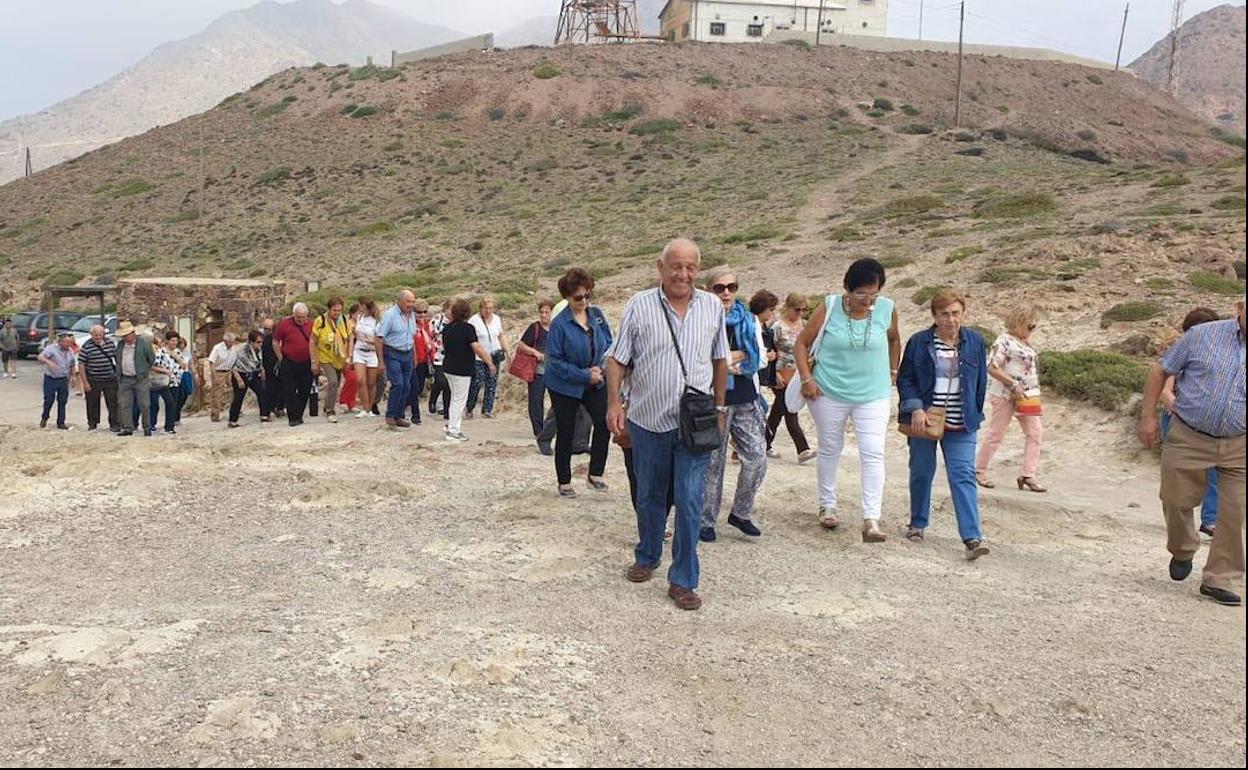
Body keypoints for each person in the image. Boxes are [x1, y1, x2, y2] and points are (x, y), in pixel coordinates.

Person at [607, 238, 729, 612]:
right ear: (660, 268)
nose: (684, 274)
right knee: (650, 495)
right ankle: (647, 553)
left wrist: (721, 407)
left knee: (691, 501)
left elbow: (720, 359)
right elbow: (616, 360)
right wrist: (615, 402)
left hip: (696, 423)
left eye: (691, 267)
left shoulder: (711, 306)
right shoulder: (639, 305)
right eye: (676, 266)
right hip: (647, 420)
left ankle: (683, 579)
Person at [1139, 298, 1246, 607]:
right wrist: (1148, 417)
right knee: (1175, 499)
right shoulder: (1202, 335)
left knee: (1236, 511)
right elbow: (1160, 371)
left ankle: (1219, 577)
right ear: (1240, 307)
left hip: (1239, 442)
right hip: (1188, 433)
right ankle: (1183, 547)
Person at [794, 257, 901, 542]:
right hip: (828, 390)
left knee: (873, 452)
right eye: (861, 293)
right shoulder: (829, 307)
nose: (867, 300)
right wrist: (807, 379)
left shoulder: (887, 309)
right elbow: (801, 343)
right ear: (848, 289)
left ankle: (871, 518)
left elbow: (894, 340)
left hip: (873, 394)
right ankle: (827, 505)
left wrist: (893, 371)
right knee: (830, 448)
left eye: (873, 293)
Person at [898, 289, 991, 560]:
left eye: (955, 313)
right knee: (921, 472)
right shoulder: (919, 342)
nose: (951, 320)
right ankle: (917, 523)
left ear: (963, 313)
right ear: (934, 316)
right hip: (924, 420)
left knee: (963, 475)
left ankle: (973, 538)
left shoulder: (974, 341)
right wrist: (915, 408)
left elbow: (980, 382)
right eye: (944, 314)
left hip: (962, 422)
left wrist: (974, 412)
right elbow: (906, 379)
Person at [700, 268, 768, 541]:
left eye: (731, 286)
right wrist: (728, 360)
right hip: (713, 400)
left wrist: (730, 365)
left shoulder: (749, 320)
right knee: (713, 463)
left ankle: (740, 511)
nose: (726, 292)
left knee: (756, 457)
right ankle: (706, 520)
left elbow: (760, 359)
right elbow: (700, 360)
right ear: (708, 290)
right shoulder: (701, 318)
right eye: (719, 287)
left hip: (745, 398)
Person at [545, 270, 613, 498]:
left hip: (595, 380)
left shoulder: (598, 316)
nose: (583, 300)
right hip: (564, 385)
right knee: (567, 430)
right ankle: (564, 481)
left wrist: (600, 368)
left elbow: (610, 344)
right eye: (578, 297)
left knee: (604, 423)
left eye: (587, 295)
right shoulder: (559, 324)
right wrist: (584, 375)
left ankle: (595, 473)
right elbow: (554, 361)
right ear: (567, 297)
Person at [1161, 308, 1222, 537]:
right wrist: (1184, 413)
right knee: (1181, 475)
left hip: (1207, 425)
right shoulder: (1180, 352)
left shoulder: (1217, 354)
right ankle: (1181, 521)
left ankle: (1210, 520)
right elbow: (1165, 392)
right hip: (1177, 421)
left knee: (1215, 471)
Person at [975, 306, 1046, 492]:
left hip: (1026, 396)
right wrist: (1013, 383)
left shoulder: (1025, 344)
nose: (1031, 330)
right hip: (1005, 394)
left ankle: (1028, 474)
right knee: (996, 433)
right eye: (1030, 326)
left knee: (1036, 432)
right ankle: (979, 470)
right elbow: (992, 366)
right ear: (1019, 323)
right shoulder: (1004, 341)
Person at [767, 293, 816, 463]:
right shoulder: (777, 327)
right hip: (780, 373)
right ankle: (803, 449)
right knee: (790, 409)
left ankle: (764, 443)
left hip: (797, 374)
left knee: (777, 412)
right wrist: (773, 373)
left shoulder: (804, 325)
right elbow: (768, 350)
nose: (800, 313)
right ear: (788, 307)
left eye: (803, 310)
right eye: (797, 309)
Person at [441, 298, 496, 442]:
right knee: (459, 400)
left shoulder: (447, 327)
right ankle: (453, 430)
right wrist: (489, 362)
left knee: (455, 398)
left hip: (448, 367)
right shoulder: (468, 329)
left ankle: (451, 426)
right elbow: (477, 347)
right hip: (461, 370)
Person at [516, 300, 555, 449]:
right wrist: (535, 352)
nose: (544, 315)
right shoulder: (535, 327)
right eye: (542, 312)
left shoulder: (556, 328)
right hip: (537, 370)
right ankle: (538, 431)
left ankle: (550, 428)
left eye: (547, 312)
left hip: (554, 372)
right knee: (535, 401)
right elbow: (521, 344)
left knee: (557, 402)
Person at [375, 290, 417, 428]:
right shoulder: (390, 316)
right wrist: (381, 361)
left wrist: (414, 355)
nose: (410, 305)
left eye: (412, 301)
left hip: (407, 353)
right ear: (399, 301)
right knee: (398, 383)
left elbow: (411, 337)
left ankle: (399, 415)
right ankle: (390, 415)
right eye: (408, 301)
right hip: (392, 352)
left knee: (407, 385)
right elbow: (379, 337)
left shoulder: (412, 315)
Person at [311, 296, 352, 424]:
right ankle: (330, 411)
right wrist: (314, 361)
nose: (337, 313)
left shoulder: (345, 320)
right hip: (325, 357)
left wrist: (349, 355)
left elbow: (350, 338)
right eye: (334, 310)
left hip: (340, 358)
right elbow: (313, 340)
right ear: (329, 309)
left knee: (336, 383)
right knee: (333, 381)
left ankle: (326, 406)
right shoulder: (320, 321)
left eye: (339, 310)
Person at [466, 296, 508, 419]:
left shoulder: (496, 319)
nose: (488, 311)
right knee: (478, 381)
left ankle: (487, 409)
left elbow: (500, 335)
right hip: (478, 356)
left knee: (492, 382)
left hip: (494, 355)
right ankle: (470, 407)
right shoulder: (474, 320)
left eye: (490, 308)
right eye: (486, 308)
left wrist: (506, 350)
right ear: (481, 308)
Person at [273, 303, 314, 426]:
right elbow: (275, 342)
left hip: (306, 362)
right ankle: (293, 418)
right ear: (293, 315)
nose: (301, 320)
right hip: (289, 362)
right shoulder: (284, 325)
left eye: (303, 317)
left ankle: (299, 414)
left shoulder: (312, 325)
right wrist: (281, 359)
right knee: (289, 390)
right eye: (298, 317)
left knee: (305, 389)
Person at [114, 321, 155, 437]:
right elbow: (117, 358)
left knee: (144, 404)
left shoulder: (144, 344)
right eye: (123, 336)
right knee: (125, 404)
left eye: (126, 335)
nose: (125, 337)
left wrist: (143, 370)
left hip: (140, 379)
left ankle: (147, 427)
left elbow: (151, 359)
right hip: (125, 378)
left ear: (133, 333)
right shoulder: (121, 345)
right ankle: (127, 427)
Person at [77, 324, 119, 432]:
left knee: (113, 402)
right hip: (93, 378)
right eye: (95, 335)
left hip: (110, 378)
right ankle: (92, 423)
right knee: (92, 403)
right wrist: (85, 382)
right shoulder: (86, 346)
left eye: (100, 334)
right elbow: (81, 364)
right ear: (91, 335)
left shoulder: (110, 343)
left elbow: (116, 358)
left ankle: (114, 424)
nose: (98, 337)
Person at [228, 330, 269, 427]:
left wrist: (262, 371)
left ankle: (264, 415)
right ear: (251, 342)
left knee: (262, 392)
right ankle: (232, 420)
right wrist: (239, 380)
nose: (260, 344)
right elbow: (233, 366)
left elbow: (259, 362)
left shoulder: (259, 350)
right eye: (258, 342)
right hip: (240, 373)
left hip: (253, 373)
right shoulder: (241, 349)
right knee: (239, 397)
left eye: (261, 342)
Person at [38, 333, 77, 430]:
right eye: (67, 342)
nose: (69, 344)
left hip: (63, 379)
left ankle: (61, 422)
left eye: (70, 342)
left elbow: (72, 364)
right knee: (49, 400)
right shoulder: (51, 349)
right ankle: (45, 417)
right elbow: (40, 357)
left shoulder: (70, 351)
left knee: (62, 401)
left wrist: (74, 376)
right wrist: (49, 362)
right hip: (51, 378)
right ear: (60, 342)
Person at [406, 299, 436, 425]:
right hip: (414, 360)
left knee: (418, 388)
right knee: (414, 387)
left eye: (424, 312)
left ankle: (403, 405)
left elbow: (430, 342)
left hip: (424, 360)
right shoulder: (410, 324)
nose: (422, 315)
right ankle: (414, 414)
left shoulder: (426, 325)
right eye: (419, 312)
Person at [352, 297, 382, 418]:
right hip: (359, 351)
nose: (358, 307)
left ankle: (369, 408)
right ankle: (364, 408)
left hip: (372, 352)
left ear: (364, 306)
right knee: (360, 380)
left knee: (371, 382)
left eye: (360, 305)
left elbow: (378, 339)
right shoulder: (359, 318)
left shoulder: (377, 321)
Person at [150, 332, 182, 435]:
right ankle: (153, 424)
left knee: (173, 404)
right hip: (164, 381)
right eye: (172, 340)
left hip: (176, 381)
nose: (174, 343)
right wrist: (165, 371)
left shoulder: (177, 352)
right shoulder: (161, 352)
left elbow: (183, 365)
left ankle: (170, 427)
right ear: (167, 341)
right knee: (168, 402)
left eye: (176, 341)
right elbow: (153, 366)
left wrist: (176, 357)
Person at [427, 299, 452, 420]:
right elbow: (430, 333)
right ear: (445, 308)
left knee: (448, 384)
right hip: (438, 354)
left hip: (451, 356)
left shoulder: (458, 320)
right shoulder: (437, 318)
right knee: (441, 381)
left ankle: (447, 411)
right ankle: (433, 399)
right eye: (450, 309)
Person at [206, 332, 238, 423]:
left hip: (230, 370)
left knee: (234, 391)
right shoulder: (217, 348)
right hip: (219, 371)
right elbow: (211, 362)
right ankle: (215, 415)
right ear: (225, 341)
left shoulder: (234, 349)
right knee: (217, 394)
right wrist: (215, 375)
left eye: (233, 342)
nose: (232, 344)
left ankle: (235, 411)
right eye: (230, 342)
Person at [260, 318, 285, 419]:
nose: (266, 331)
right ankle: (271, 409)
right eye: (265, 329)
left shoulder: (279, 338)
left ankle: (279, 408)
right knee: (270, 389)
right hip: (269, 368)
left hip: (278, 366)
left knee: (281, 388)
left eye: (269, 329)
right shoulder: (263, 339)